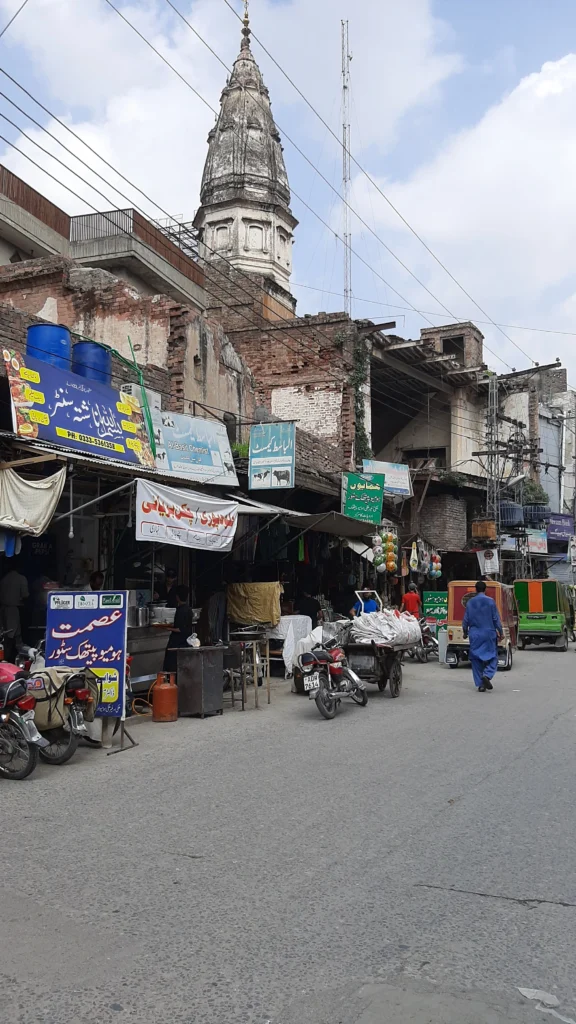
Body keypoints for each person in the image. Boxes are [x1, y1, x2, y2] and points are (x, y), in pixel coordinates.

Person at [462, 580, 503, 692]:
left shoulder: (470, 603)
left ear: (476, 589)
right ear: (485, 590)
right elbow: (496, 619)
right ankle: (487, 674)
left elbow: (465, 620)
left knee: (476, 659)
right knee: (493, 657)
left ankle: (481, 684)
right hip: (489, 633)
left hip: (475, 634)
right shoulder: (490, 602)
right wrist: (501, 632)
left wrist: (465, 632)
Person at [156, 585, 194, 674]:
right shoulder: (189, 610)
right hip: (186, 642)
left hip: (177, 642)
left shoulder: (180, 610)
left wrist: (166, 628)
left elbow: (180, 629)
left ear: (177, 597)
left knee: (172, 667)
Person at [0, 561, 29, 650]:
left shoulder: (3, 579)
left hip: (2, 608)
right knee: (15, 635)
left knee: (4, 633)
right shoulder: (21, 578)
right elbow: (25, 595)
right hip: (13, 609)